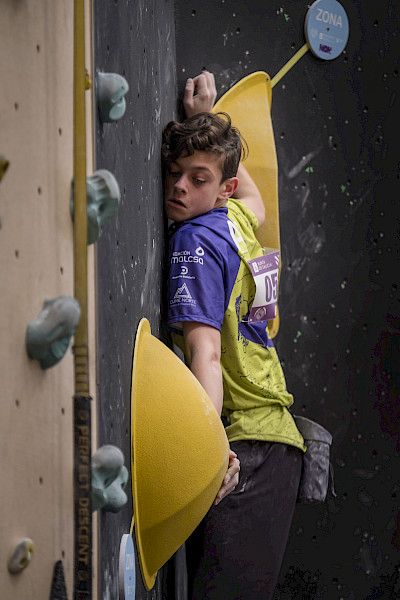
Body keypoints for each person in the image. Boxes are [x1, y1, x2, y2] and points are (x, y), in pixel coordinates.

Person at [162, 71, 306, 600]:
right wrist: (204, 123)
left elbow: (204, 352)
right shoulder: (236, 220)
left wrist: (212, 451)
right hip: (277, 448)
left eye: (198, 178)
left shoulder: (196, 241)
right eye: (174, 173)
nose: (179, 186)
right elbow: (253, 196)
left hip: (243, 452)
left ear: (220, 189)